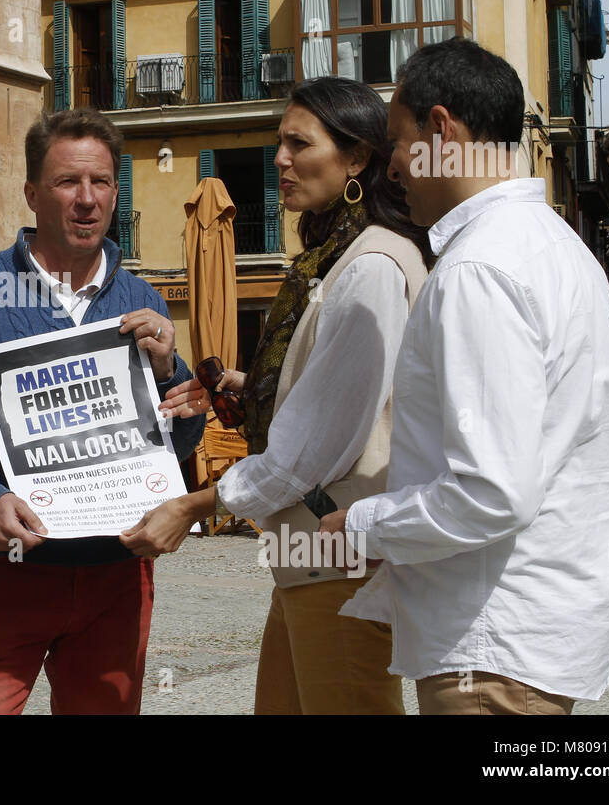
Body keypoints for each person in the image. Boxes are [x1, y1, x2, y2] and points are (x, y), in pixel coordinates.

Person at [319, 37, 609, 714]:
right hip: (527, 634)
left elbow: (492, 491)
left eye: (398, 143)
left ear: (442, 130)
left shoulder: (479, 269)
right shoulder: (553, 247)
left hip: (492, 646)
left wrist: (365, 524)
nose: (391, 170)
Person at [122, 76, 431, 714]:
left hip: (339, 558)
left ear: (357, 158)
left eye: (299, 143)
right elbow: (332, 397)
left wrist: (197, 504)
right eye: (278, 143)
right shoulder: (333, 259)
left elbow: (314, 447)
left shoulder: (370, 266)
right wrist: (253, 385)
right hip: (312, 556)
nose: (281, 160)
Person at [0, 108, 206, 715]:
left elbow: (175, 444)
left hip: (116, 575)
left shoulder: (143, 299)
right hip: (7, 570)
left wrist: (171, 376)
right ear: (31, 193)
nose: (87, 200)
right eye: (68, 182)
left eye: (101, 183)